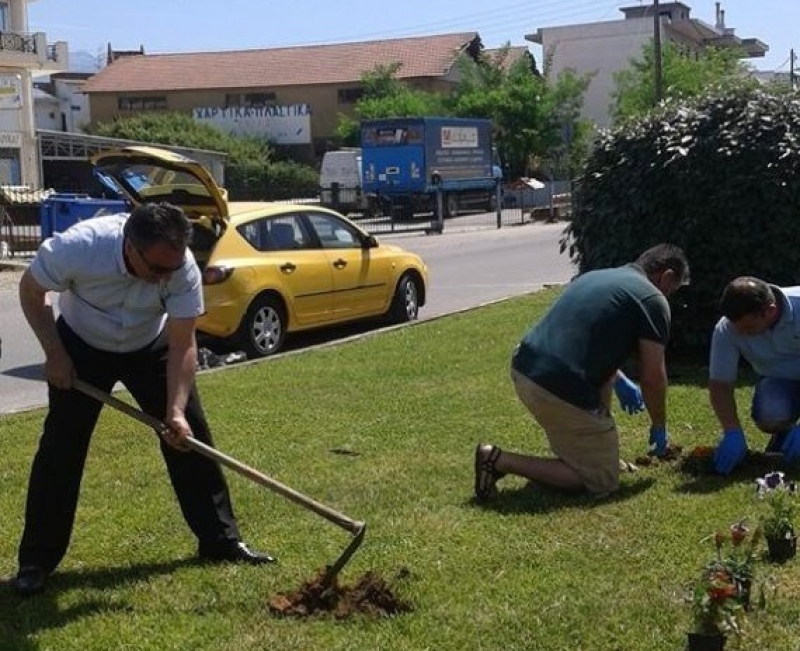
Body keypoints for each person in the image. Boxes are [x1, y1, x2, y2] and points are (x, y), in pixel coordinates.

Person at [15, 202, 275, 597]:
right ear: (130, 246)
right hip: (81, 346)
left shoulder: (180, 266)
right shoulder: (79, 247)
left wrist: (174, 410)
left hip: (148, 346)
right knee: (61, 449)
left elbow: (183, 341)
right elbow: (31, 291)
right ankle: (36, 561)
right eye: (156, 270)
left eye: (170, 270)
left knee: (191, 437)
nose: (163, 279)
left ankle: (220, 541)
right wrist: (55, 354)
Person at [474, 243, 690, 499]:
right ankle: (498, 460)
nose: (669, 296)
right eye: (672, 289)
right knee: (602, 482)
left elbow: (583, 341)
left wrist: (618, 379)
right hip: (556, 386)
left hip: (525, 367)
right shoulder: (652, 299)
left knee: (600, 443)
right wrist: (659, 425)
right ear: (665, 276)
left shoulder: (597, 276)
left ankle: (597, 455)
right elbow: (653, 377)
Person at [710, 276, 800, 475]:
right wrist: (731, 431)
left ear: (770, 310)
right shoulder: (728, 328)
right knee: (770, 413)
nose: (741, 334)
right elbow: (720, 385)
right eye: (737, 328)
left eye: (748, 328)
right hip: (781, 382)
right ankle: (784, 438)